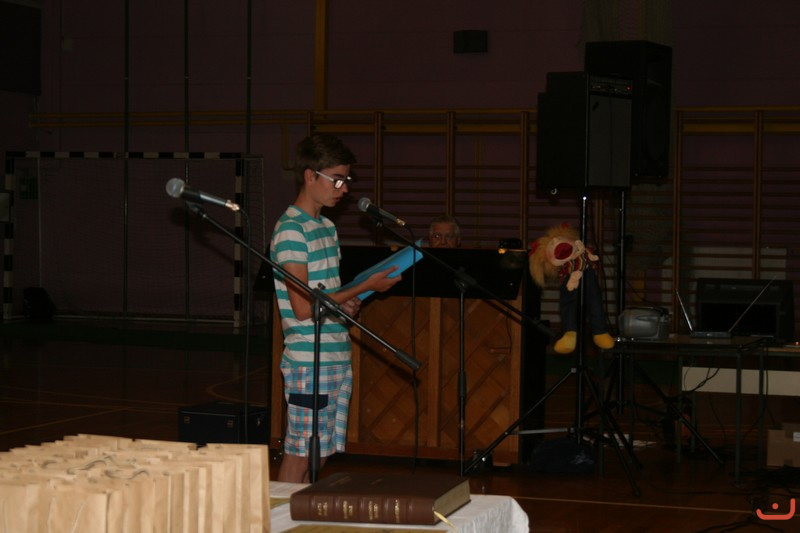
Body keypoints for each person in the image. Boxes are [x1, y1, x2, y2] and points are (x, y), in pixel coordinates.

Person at [270, 134, 402, 483]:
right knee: (301, 453)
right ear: (310, 176)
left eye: (347, 180)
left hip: (335, 354)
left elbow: (327, 295)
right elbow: (303, 307)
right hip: (308, 359)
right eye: (337, 179)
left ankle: (301, 510)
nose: (344, 189)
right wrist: (364, 286)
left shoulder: (326, 227)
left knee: (322, 452)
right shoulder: (291, 231)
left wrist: (349, 304)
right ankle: (277, 513)